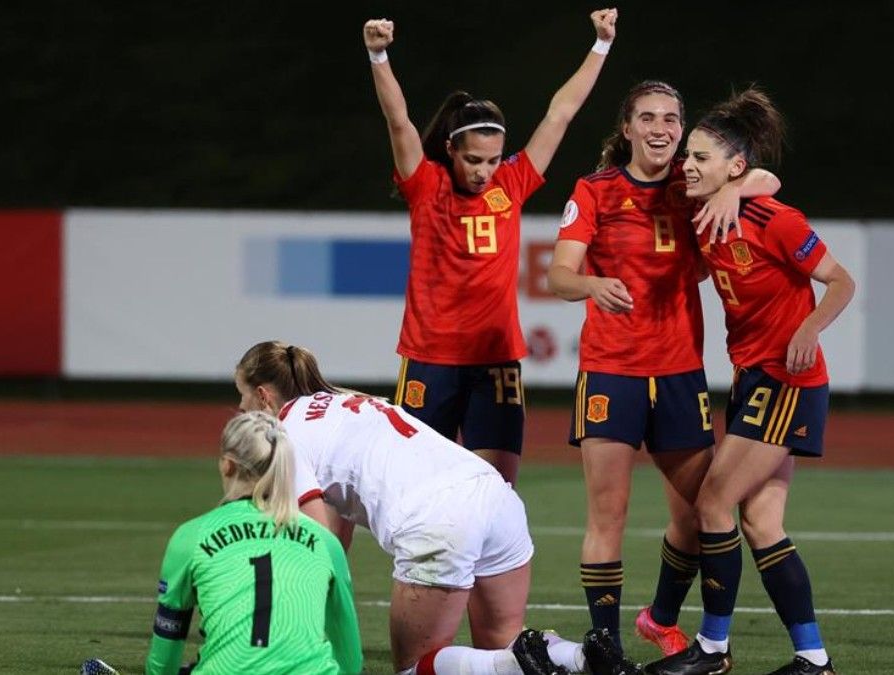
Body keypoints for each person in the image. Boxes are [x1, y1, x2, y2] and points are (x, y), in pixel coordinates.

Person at [546, 80, 781, 659]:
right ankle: (607, 646)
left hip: (680, 373)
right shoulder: (595, 190)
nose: (661, 128)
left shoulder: (694, 183)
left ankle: (662, 616)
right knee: (609, 516)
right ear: (626, 128)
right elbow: (559, 275)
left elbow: (768, 179)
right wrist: (593, 284)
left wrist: (733, 192)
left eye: (672, 119)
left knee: (702, 516)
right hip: (611, 373)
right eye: (647, 117)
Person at [233, 341, 630, 675]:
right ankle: (583, 655)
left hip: (438, 519)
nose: (240, 409)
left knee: (414, 667)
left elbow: (318, 538)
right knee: (503, 643)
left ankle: (523, 664)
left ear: (264, 397)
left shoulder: (284, 433)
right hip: (495, 495)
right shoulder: (346, 402)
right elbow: (338, 530)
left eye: (242, 397)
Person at [644, 87, 855, 675]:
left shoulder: (773, 219)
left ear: (733, 167)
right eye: (688, 154)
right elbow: (759, 175)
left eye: (701, 157)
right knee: (761, 523)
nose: (688, 164)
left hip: (788, 381)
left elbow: (841, 282)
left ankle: (712, 649)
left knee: (713, 502)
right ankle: (813, 658)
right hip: (750, 378)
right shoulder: (705, 209)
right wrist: (731, 185)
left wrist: (811, 326)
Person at [364, 9, 618, 486]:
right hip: (429, 359)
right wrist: (378, 54)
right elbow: (398, 122)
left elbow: (560, 112)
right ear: (450, 151)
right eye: (473, 160)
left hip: (496, 360)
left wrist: (601, 45)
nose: (484, 171)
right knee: (416, 490)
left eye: (493, 160)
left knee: (496, 492)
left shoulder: (513, 182)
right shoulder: (426, 185)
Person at [145, 411, 362, 675]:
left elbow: (164, 657)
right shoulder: (325, 541)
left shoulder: (190, 536)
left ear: (227, 464)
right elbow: (350, 660)